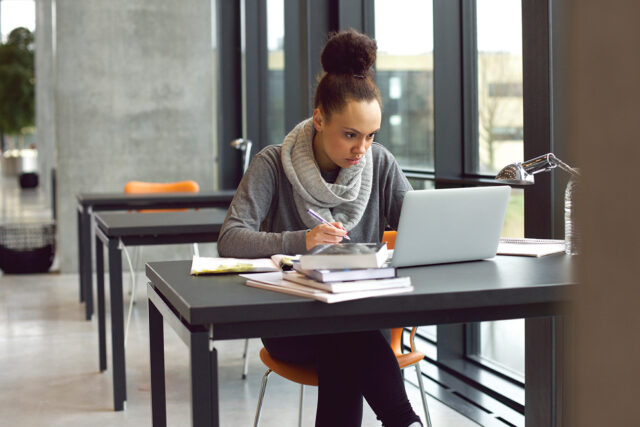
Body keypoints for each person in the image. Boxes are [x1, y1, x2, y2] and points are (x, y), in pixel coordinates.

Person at [217, 29, 422, 427]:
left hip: (359, 318)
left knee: (344, 336)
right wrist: (302, 240)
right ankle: (403, 420)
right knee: (346, 336)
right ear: (319, 118)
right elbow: (230, 239)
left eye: (370, 136)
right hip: (291, 325)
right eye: (349, 135)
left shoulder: (379, 164)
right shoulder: (272, 164)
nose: (361, 149)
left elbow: (419, 227)